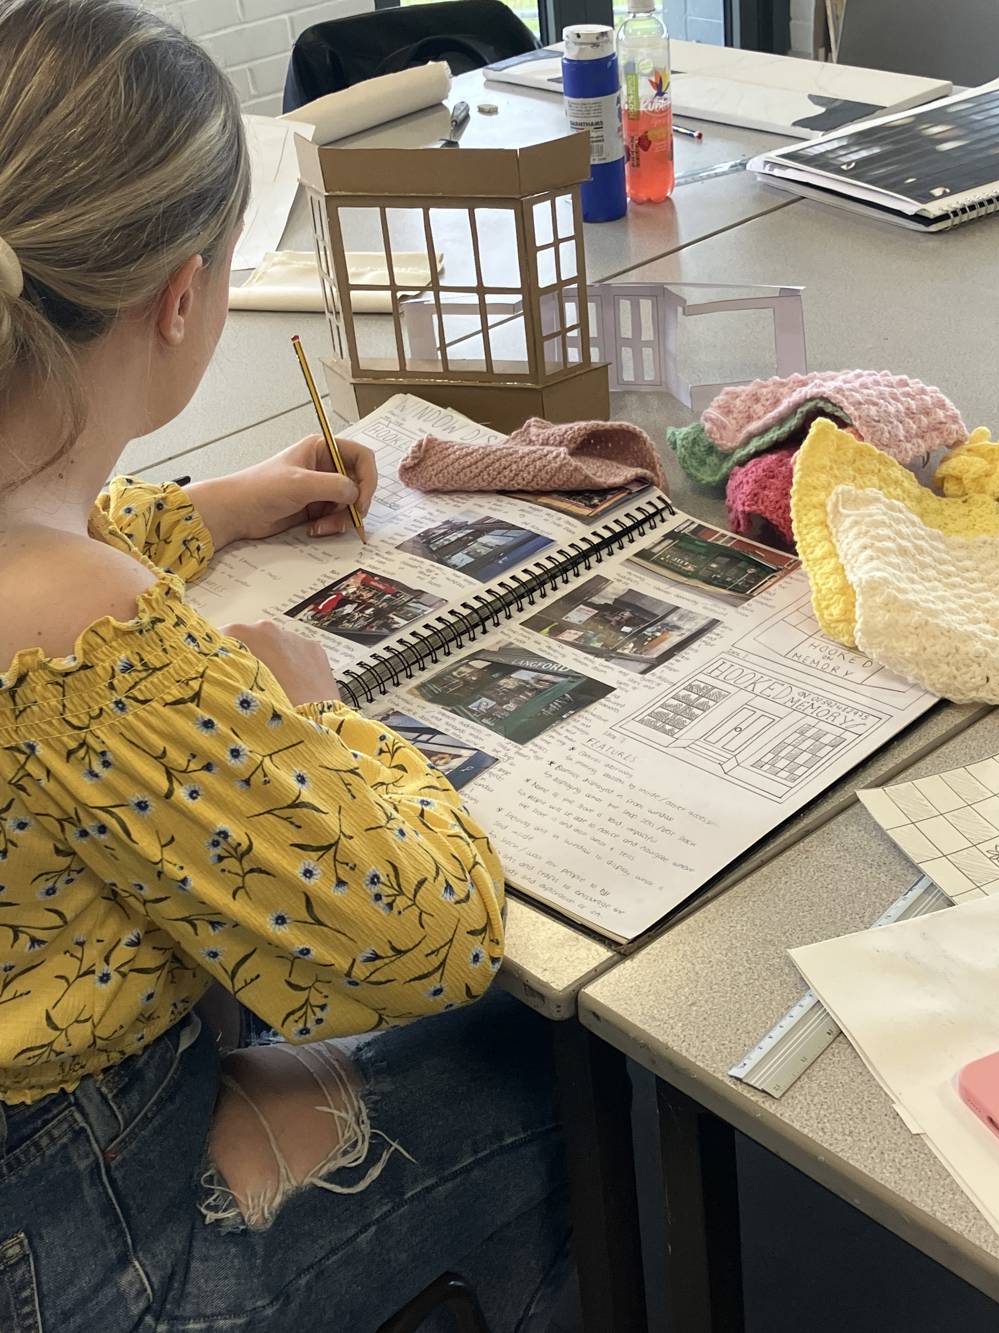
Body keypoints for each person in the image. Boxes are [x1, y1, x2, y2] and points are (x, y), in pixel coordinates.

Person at [0, 2, 575, 1329]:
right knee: (535, 1062)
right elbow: (428, 932)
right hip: (85, 1246)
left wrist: (218, 505)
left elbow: (56, 519)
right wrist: (308, 716)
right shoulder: (86, 632)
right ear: (187, 297)